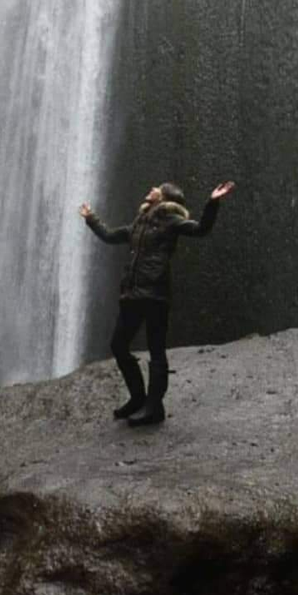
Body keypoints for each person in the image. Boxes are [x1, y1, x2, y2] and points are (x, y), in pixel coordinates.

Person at [79, 180, 235, 426]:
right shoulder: (138, 224)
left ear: (164, 198)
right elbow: (110, 236)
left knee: (156, 349)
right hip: (132, 293)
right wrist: (90, 218)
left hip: (155, 294)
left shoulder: (171, 221)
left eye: (157, 188)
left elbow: (201, 229)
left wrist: (212, 202)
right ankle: (138, 397)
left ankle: (154, 406)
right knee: (118, 345)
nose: (151, 189)